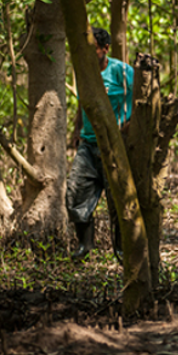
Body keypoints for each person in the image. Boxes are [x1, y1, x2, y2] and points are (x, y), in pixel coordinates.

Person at [66, 28, 134, 260]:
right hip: (88, 143)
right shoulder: (84, 71)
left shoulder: (123, 72)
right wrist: (76, 129)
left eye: (94, 48)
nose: (89, 53)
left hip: (114, 145)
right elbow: (82, 102)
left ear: (105, 49)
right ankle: (85, 245)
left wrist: (127, 125)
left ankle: (121, 250)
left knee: (117, 200)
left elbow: (145, 98)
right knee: (76, 191)